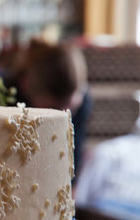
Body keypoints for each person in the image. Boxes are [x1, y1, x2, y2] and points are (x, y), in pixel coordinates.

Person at [10, 40, 92, 178]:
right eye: (53, 107)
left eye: (67, 105)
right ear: (26, 86)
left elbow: (73, 152)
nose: (61, 113)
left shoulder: (83, 102)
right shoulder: (10, 100)